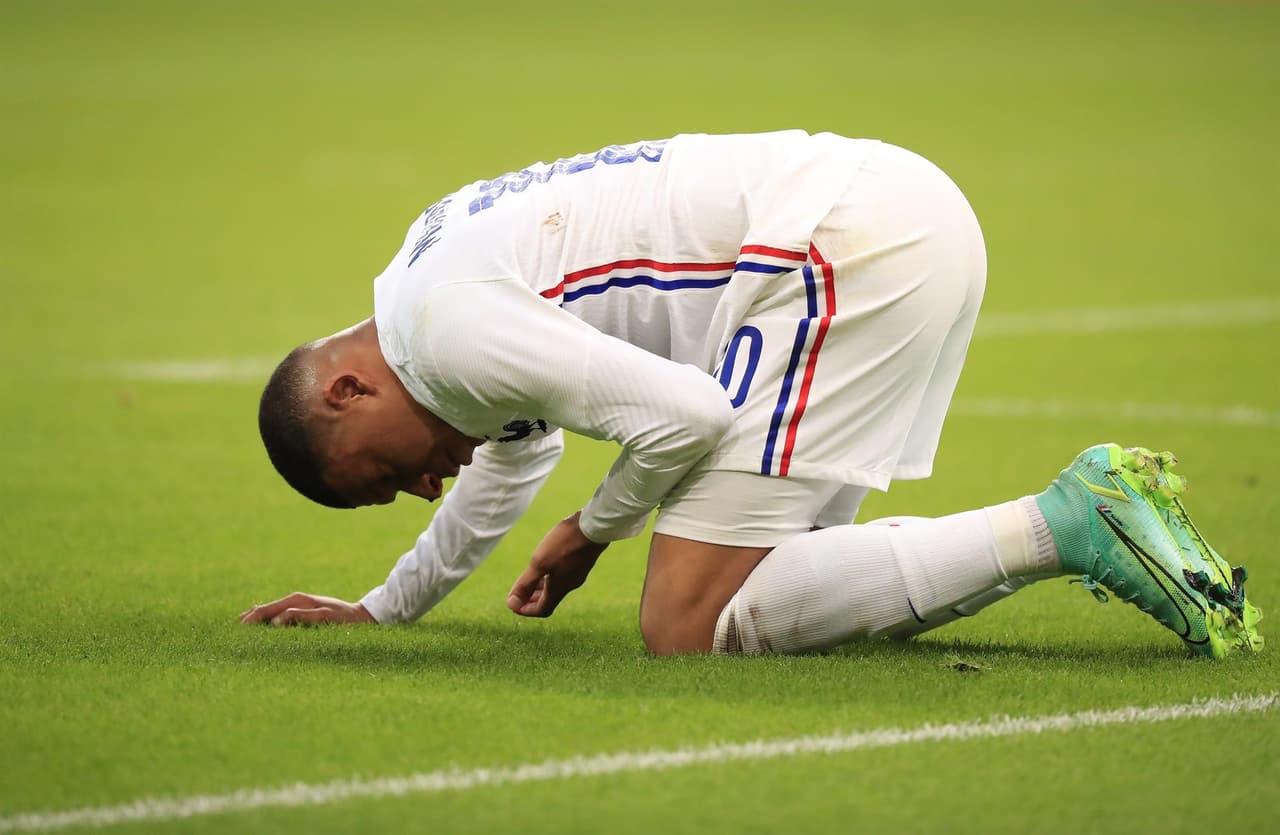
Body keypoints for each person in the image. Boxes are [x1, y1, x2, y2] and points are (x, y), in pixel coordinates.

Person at [242, 131, 1262, 658]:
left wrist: (596, 529)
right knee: (778, 580)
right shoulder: (427, 292)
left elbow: (689, 414)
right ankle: (1080, 527)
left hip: (836, 252)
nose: (426, 486)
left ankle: (1068, 521)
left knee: (684, 625)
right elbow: (519, 449)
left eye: (387, 472)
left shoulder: (447, 329)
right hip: (885, 209)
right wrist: (386, 609)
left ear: (346, 387)